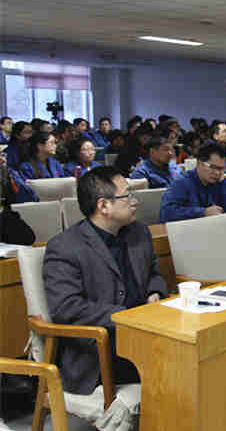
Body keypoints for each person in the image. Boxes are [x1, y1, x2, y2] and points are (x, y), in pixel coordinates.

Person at [43, 166, 167, 395]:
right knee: (177, 372)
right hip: (100, 350)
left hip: (147, 335)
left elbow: (153, 274)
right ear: (103, 206)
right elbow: (66, 308)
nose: (135, 201)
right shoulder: (65, 247)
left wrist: (154, 292)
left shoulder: (139, 232)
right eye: (127, 195)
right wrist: (126, 317)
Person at [159, 143, 226, 222]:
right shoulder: (182, 182)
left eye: (221, 168)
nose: (217, 173)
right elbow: (166, 213)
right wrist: (203, 212)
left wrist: (223, 182)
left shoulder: (219, 181)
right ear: (199, 164)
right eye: (213, 167)